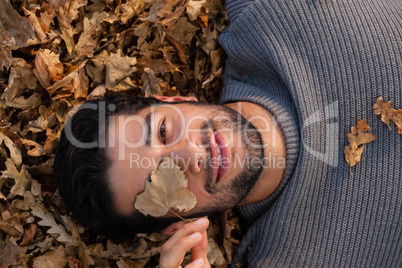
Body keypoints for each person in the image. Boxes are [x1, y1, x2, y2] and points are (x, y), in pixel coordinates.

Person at [54, 0, 402, 267]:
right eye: (161, 182)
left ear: (175, 99)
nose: (189, 155)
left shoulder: (267, 15)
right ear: (179, 222)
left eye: (162, 131)